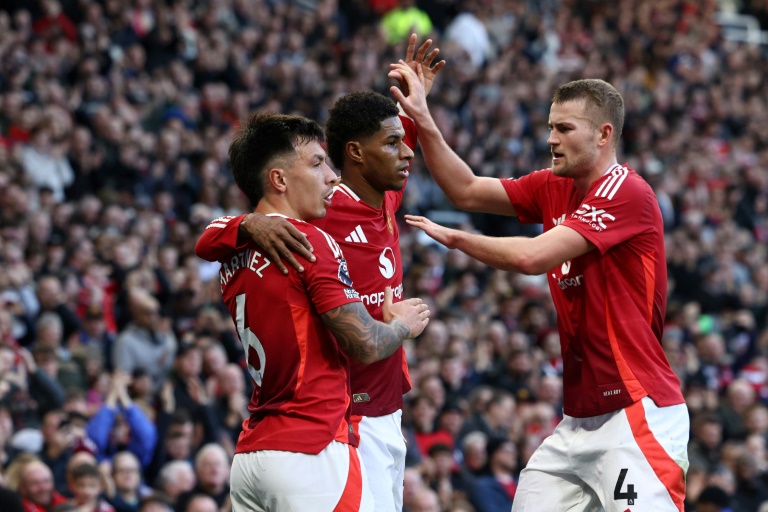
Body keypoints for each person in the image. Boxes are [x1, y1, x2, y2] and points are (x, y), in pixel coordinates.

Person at [389, 62, 689, 511]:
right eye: (550, 127)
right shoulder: (554, 186)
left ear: (604, 135)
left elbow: (533, 257)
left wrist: (458, 239)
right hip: (579, 418)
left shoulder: (627, 192)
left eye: (565, 128)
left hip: (637, 410)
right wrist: (424, 119)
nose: (551, 139)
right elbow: (467, 190)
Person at [195, 34, 444, 512]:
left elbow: (394, 148)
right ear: (355, 155)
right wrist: (249, 222)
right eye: (392, 144)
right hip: (339, 421)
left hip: (362, 414)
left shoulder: (382, 196)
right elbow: (210, 234)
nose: (406, 154)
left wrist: (416, 107)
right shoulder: (316, 224)